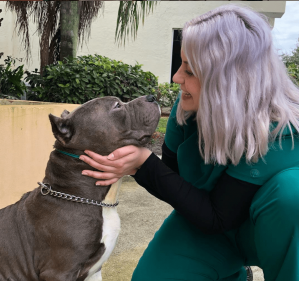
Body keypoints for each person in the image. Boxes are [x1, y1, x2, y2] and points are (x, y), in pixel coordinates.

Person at [79, 4, 299, 281]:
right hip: (209, 230)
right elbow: (176, 184)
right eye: (180, 64)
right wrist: (137, 162)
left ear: (230, 80)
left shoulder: (286, 131)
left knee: (293, 194)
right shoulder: (186, 110)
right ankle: (233, 275)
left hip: (270, 234)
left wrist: (145, 164)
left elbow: (218, 217)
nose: (176, 78)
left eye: (190, 71)